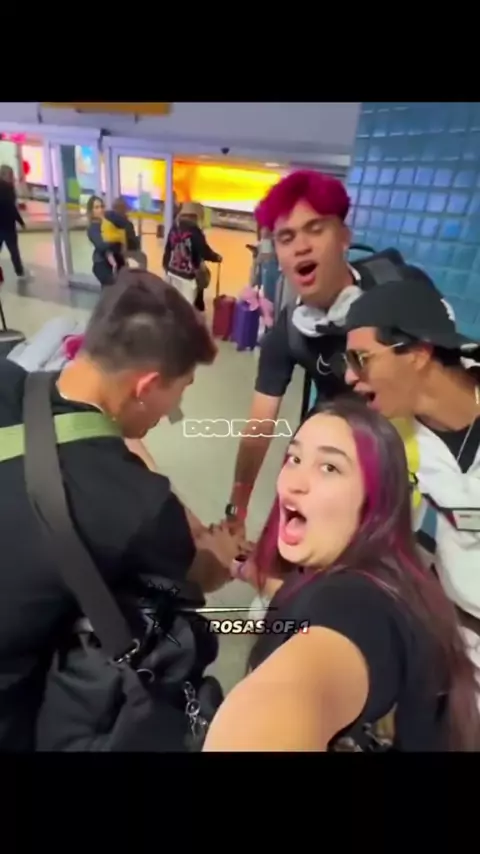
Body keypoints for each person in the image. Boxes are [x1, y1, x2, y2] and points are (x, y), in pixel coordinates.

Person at [0, 268, 243, 751]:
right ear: (146, 385)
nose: (171, 411)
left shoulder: (8, 377)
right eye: (181, 391)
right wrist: (218, 559)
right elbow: (199, 573)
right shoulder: (141, 509)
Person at [203, 397, 480, 751]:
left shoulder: (358, 606)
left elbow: (284, 701)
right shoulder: (387, 577)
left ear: (374, 500)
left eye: (330, 467)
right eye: (294, 458)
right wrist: (241, 567)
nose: (294, 483)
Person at [224, 170, 403, 532]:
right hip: (328, 442)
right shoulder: (288, 331)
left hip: (396, 451)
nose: (301, 246)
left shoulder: (398, 293)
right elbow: (260, 424)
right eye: (286, 237)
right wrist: (237, 509)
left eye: (315, 229)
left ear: (344, 237)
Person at [344, 268, 480, 673]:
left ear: (419, 354)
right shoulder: (393, 439)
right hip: (455, 635)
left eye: (361, 359)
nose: (350, 376)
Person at [163, 201, 222, 311]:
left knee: (174, 301)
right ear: (195, 216)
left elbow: (168, 248)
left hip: (172, 271)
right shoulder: (195, 231)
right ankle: (197, 306)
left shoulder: (174, 227)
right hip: (188, 276)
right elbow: (204, 251)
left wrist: (166, 267)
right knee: (187, 305)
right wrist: (216, 257)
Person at [86, 195, 125, 287]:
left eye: (102, 206)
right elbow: (101, 246)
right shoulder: (93, 228)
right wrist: (116, 240)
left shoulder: (107, 222)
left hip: (115, 259)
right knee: (112, 288)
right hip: (102, 263)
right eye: (96, 207)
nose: (100, 210)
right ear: (91, 211)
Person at [0, 164, 28, 281]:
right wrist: (21, 222)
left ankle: (19, 272)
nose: (13, 177)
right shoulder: (8, 190)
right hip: (8, 226)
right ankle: (20, 272)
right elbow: (12, 209)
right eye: (10, 175)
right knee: (14, 251)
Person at [109, 197, 148, 269]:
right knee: (143, 257)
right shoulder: (126, 223)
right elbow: (133, 243)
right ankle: (140, 274)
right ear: (123, 209)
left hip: (108, 252)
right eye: (125, 209)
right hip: (122, 251)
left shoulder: (107, 219)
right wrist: (138, 240)